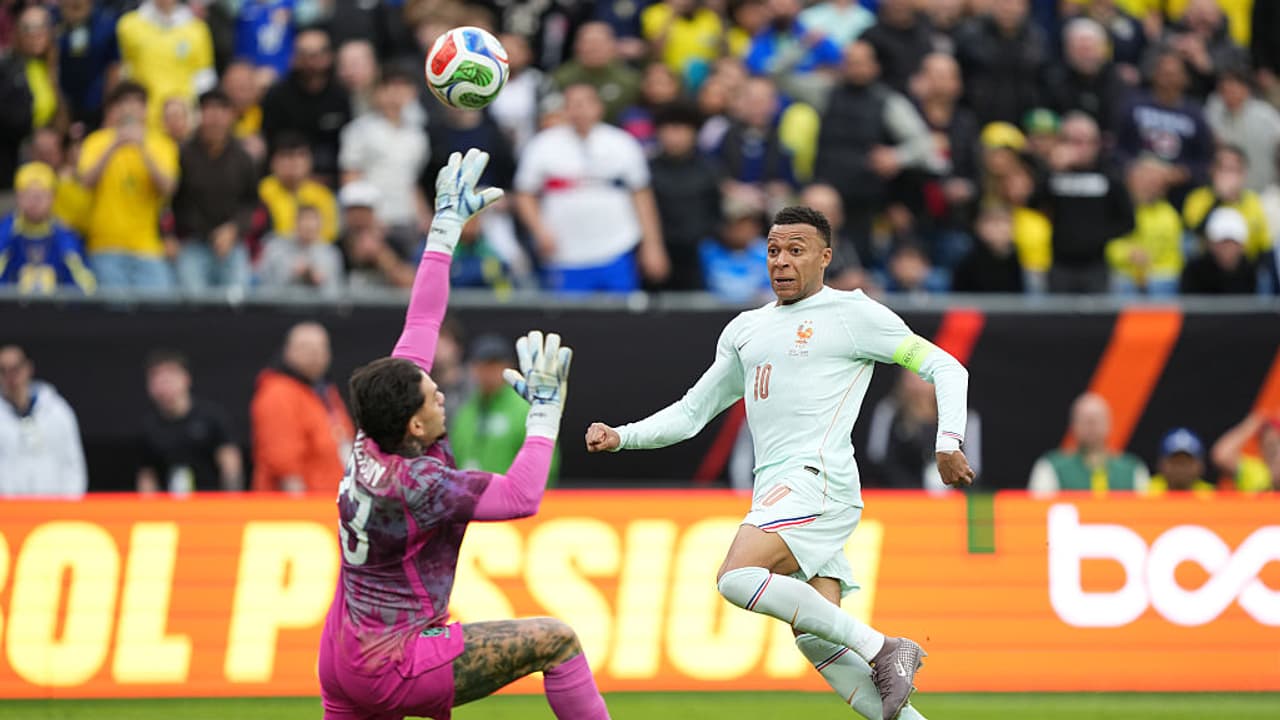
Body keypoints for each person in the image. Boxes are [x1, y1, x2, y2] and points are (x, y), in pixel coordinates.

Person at [586, 205, 972, 720]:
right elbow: (692, 413)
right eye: (773, 251)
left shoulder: (853, 314)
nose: (781, 261)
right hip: (777, 487)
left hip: (818, 481)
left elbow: (946, 367)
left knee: (736, 577)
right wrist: (622, 437)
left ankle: (884, 647)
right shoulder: (746, 330)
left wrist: (947, 442)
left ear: (825, 257)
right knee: (817, 639)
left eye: (795, 250)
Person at [318, 148, 611, 720]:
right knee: (557, 641)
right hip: (393, 660)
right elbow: (522, 497)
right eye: (433, 396)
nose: (441, 394)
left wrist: (443, 231)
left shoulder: (373, 433)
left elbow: (423, 320)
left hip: (343, 652)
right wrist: (545, 412)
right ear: (414, 424)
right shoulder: (419, 483)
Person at [514, 83, 669, 293]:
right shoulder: (542, 145)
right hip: (563, 254)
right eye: (574, 104)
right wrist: (539, 231)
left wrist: (652, 245)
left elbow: (641, 194)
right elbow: (524, 193)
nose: (581, 110)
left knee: (622, 311)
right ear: (564, 108)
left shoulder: (622, 143)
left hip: (617, 247)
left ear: (599, 107)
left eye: (587, 103)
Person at [77, 81, 179, 292]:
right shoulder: (96, 142)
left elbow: (168, 188)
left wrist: (142, 148)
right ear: (114, 109)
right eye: (124, 103)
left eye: (136, 104)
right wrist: (114, 145)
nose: (130, 109)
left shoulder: (161, 144)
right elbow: (86, 182)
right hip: (105, 245)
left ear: (146, 110)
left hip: (147, 247)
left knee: (159, 305)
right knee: (114, 309)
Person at [250, 321, 354, 494]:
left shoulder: (325, 391)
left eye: (321, 348)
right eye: (306, 348)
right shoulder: (278, 393)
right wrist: (299, 505)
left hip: (330, 497)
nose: (315, 354)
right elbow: (283, 461)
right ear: (288, 352)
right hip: (302, 503)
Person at [171, 89, 258, 293]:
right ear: (199, 115)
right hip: (192, 242)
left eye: (221, 110)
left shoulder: (243, 158)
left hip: (231, 244)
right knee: (191, 298)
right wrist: (170, 236)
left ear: (231, 115)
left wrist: (234, 229)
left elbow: (251, 202)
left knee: (238, 297)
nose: (215, 118)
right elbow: (170, 201)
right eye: (209, 110)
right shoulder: (182, 154)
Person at [449, 334, 560, 482]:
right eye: (483, 365)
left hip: (513, 495)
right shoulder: (465, 412)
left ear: (509, 367)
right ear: (473, 368)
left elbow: (546, 464)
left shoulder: (525, 409)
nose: (488, 372)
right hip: (469, 494)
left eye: (495, 365)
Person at [137, 350, 243, 494]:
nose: (164, 384)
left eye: (170, 377)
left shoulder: (211, 417)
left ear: (186, 378)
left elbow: (230, 464)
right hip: (168, 503)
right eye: (157, 378)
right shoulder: (149, 427)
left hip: (210, 500)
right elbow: (147, 475)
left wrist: (230, 499)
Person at [865, 368, 983, 491]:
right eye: (912, 378)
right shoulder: (889, 412)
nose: (918, 385)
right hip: (899, 495)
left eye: (924, 377)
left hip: (952, 498)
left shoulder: (964, 418)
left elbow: (973, 471)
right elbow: (877, 461)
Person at [0, 344, 87, 497]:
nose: (10, 376)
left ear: (28, 368)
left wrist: (70, 504)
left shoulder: (57, 411)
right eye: (3, 370)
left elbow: (73, 463)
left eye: (15, 368)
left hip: (53, 505)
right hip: (8, 508)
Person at [116, 0, 217, 131]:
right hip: (142, 122)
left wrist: (194, 119)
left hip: (182, 124)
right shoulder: (128, 25)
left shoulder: (197, 29)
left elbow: (204, 81)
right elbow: (122, 75)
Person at [0, 162, 96, 295]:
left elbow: (87, 286)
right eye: (27, 194)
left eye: (41, 195)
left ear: (53, 198)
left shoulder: (64, 236)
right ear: (18, 197)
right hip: (10, 307)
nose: (34, 201)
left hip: (57, 307)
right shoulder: (6, 232)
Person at [1028, 392, 1150, 494]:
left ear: (1110, 424)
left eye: (1096, 419)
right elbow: (1037, 510)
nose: (1091, 425)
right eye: (1084, 420)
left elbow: (1146, 511)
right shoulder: (1051, 467)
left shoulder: (1133, 469)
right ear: (1072, 425)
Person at [257, 205, 346, 295]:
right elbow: (264, 281)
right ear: (295, 223)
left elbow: (336, 290)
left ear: (320, 225)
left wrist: (318, 279)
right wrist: (291, 273)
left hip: (319, 302)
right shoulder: (276, 247)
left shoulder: (331, 254)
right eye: (305, 220)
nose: (309, 225)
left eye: (313, 220)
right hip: (284, 301)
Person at [1180, 206, 1258, 294]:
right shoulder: (1193, 273)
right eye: (1223, 242)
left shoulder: (1251, 272)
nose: (1228, 249)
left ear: (1242, 246)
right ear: (1210, 244)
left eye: (1232, 243)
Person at [1211, 412, 1280, 492]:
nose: (1269, 443)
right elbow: (1222, 455)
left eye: (1276, 443)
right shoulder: (1256, 471)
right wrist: (1254, 421)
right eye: (1266, 444)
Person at [1146, 428, 1214, 495]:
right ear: (1161, 464)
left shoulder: (1211, 495)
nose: (1180, 468)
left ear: (1200, 465)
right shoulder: (1146, 492)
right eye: (1175, 462)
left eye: (1187, 462)